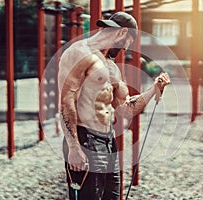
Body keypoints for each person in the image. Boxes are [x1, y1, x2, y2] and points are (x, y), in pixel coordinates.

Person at [58, 11, 170, 200]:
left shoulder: (110, 66)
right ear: (122, 33)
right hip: (86, 140)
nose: (125, 48)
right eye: (128, 42)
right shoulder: (79, 52)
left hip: (108, 141)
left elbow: (126, 109)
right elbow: (66, 101)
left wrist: (155, 89)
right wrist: (74, 148)